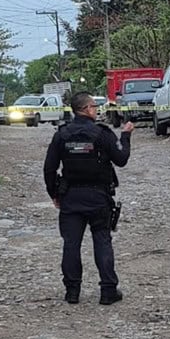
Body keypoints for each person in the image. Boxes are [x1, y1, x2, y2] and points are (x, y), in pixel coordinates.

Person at [44, 91, 134, 305]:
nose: (97, 110)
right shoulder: (101, 133)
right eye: (94, 106)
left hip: (71, 197)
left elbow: (49, 168)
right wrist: (126, 136)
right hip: (98, 196)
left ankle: (72, 291)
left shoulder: (62, 135)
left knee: (71, 244)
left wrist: (54, 194)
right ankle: (108, 290)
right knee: (102, 240)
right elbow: (121, 159)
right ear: (86, 109)